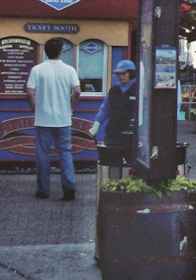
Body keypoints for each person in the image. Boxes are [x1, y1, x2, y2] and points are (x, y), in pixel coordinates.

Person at [25, 38, 81, 200]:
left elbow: (29, 92)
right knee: (65, 153)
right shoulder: (69, 70)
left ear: (45, 51)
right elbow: (77, 91)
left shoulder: (37, 70)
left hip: (43, 119)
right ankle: (69, 188)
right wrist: (71, 107)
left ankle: (43, 190)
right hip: (63, 119)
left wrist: (35, 107)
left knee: (43, 154)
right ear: (61, 52)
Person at [88, 59, 137, 146]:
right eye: (118, 74)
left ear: (132, 73)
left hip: (131, 134)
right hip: (113, 132)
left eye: (124, 73)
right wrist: (97, 124)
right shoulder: (113, 90)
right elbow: (105, 109)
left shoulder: (139, 89)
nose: (121, 76)